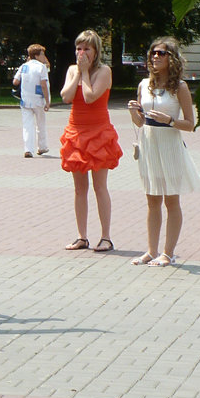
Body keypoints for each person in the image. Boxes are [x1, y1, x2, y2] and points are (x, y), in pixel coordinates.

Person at [126, 37, 200, 267]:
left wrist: (170, 120)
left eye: (161, 53)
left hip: (170, 145)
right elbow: (140, 122)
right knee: (152, 201)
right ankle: (150, 251)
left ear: (171, 58)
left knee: (171, 200)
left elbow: (190, 124)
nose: (155, 57)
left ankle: (167, 252)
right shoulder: (144, 85)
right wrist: (133, 113)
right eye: (153, 53)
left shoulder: (179, 87)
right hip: (149, 143)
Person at [59, 29, 122, 253]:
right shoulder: (72, 70)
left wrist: (85, 73)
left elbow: (89, 96)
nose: (81, 52)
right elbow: (66, 97)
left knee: (100, 187)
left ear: (96, 52)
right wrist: (78, 73)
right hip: (76, 132)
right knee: (79, 189)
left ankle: (106, 237)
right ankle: (81, 236)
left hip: (98, 133)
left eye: (86, 48)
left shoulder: (104, 71)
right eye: (79, 48)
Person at [13, 44, 51, 158]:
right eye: (42, 54)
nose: (44, 56)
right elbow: (44, 85)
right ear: (36, 55)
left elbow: (15, 81)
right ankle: (42, 147)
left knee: (27, 125)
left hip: (25, 100)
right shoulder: (41, 67)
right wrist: (47, 101)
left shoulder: (24, 66)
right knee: (41, 123)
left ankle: (28, 149)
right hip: (38, 99)